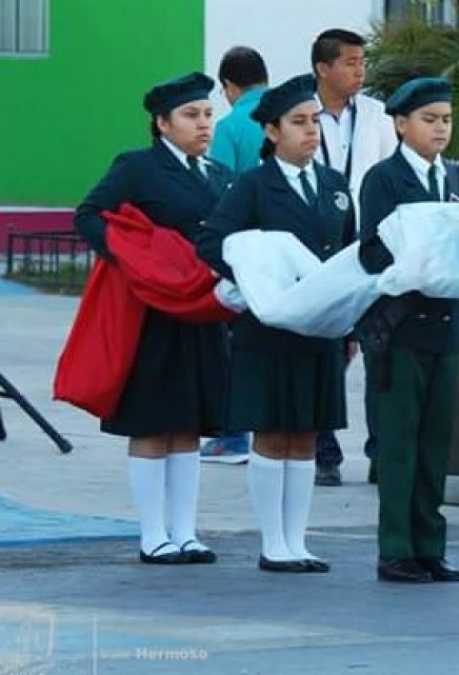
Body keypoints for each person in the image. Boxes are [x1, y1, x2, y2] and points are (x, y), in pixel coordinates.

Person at [198, 74, 356, 573]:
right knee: (272, 433)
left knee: (306, 434)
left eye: (315, 122)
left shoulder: (334, 186)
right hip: (268, 332)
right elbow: (213, 243)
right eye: (299, 122)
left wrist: (350, 325)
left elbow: (349, 255)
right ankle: (273, 543)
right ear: (272, 131)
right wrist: (255, 281)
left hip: (320, 331)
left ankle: (297, 540)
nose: (311, 131)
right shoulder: (252, 186)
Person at [74, 72, 230, 565]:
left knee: (189, 424)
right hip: (153, 313)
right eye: (191, 115)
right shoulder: (137, 168)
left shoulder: (219, 174)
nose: (203, 124)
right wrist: (136, 261)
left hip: (202, 312)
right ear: (162, 123)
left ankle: (184, 531)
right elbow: (89, 214)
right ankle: (152, 534)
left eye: (208, 114)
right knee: (153, 422)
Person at [358, 77, 459, 584]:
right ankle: (396, 548)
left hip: (447, 329)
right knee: (399, 443)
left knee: (436, 444)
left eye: (446, 119)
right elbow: (371, 250)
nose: (440, 129)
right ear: (401, 124)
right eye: (429, 120)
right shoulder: (384, 179)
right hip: (401, 329)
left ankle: (430, 545)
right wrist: (417, 258)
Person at [309, 28, 400, 487]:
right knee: (325, 353)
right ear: (323, 68)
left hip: (369, 245)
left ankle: (380, 451)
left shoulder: (377, 116)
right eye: (350, 62)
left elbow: (387, 174)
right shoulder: (302, 115)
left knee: (376, 349)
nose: (360, 70)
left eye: (362, 61)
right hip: (319, 247)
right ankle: (324, 452)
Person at [197, 45, 269, 465]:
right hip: (289, 249)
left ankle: (234, 435)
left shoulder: (229, 127)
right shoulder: (292, 117)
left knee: (234, 345)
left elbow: (218, 191)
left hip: (243, 251)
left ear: (228, 86)